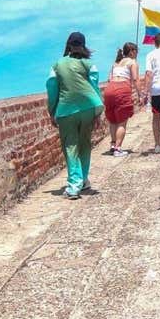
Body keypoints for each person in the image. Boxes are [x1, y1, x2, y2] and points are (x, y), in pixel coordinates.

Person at [46, 32, 104, 199]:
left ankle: (74, 185)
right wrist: (97, 112)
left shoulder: (57, 65)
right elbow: (95, 87)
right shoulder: (89, 64)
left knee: (70, 146)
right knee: (85, 144)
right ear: (84, 46)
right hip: (89, 107)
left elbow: (52, 88)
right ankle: (84, 179)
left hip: (66, 110)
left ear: (69, 46)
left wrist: (52, 111)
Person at [103, 42, 142, 156]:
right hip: (122, 89)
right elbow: (135, 79)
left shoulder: (115, 64)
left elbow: (109, 79)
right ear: (132, 52)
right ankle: (118, 149)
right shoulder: (132, 62)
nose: (137, 54)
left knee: (113, 120)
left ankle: (113, 144)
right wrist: (140, 95)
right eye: (136, 52)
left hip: (109, 90)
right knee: (122, 122)